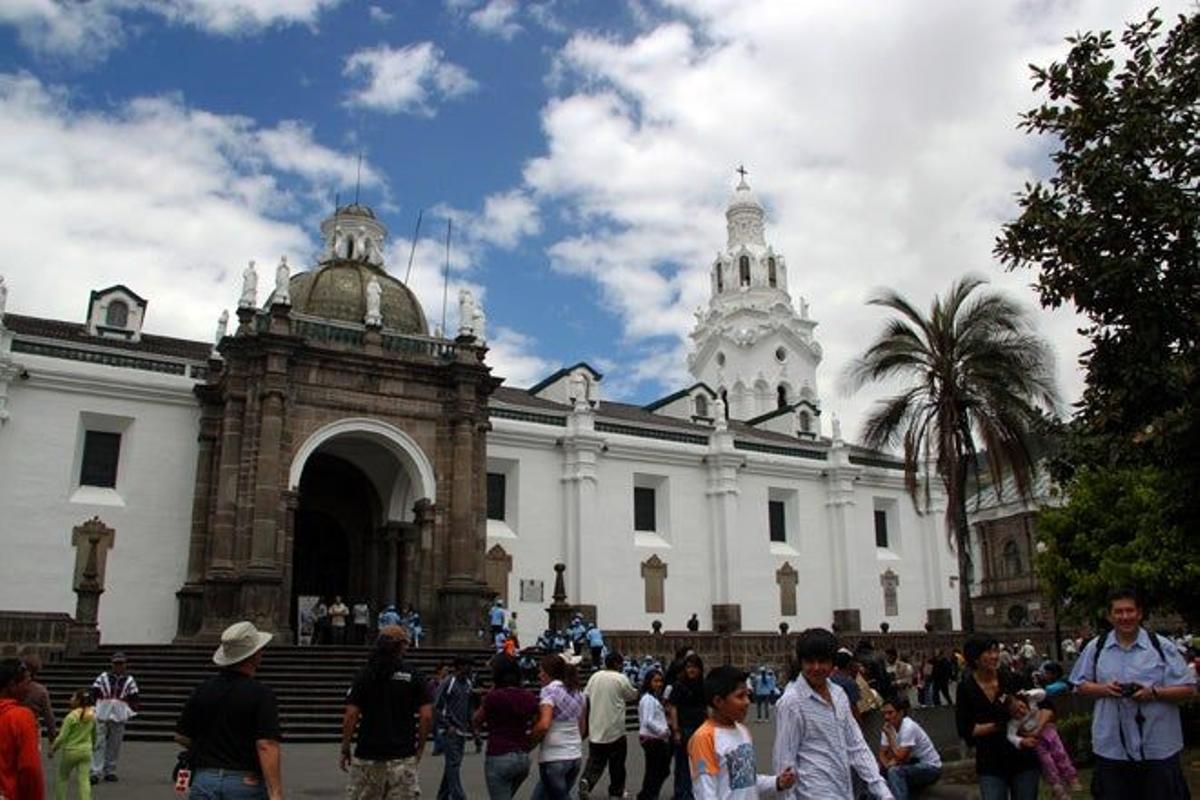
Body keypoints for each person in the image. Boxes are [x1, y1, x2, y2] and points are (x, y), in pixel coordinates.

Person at [1068, 588, 1196, 799]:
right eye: (1118, 612)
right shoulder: (1096, 647)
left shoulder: (1161, 646)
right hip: (1112, 748)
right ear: (1109, 616)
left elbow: (1188, 689)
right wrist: (1105, 689)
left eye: (1130, 611)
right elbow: (1079, 684)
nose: (1125, 617)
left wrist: (1153, 693)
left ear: (1140, 613)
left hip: (1158, 746)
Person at [772, 627, 893, 798]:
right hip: (812, 793)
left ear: (832, 663)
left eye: (822, 661)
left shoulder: (838, 694)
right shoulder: (792, 702)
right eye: (809, 662)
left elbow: (857, 746)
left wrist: (882, 790)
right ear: (801, 662)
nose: (816, 667)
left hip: (843, 791)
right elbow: (784, 761)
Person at [174, 621, 283, 800]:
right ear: (253, 655)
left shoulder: (203, 690)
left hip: (204, 779)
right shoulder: (261, 694)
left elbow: (181, 736)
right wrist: (276, 792)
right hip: (245, 781)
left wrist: (207, 747)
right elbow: (266, 745)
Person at [340, 624, 431, 800]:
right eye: (406, 643)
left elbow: (351, 715)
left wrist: (345, 747)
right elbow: (426, 716)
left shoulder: (364, 675)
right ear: (401, 646)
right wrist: (420, 747)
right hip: (402, 755)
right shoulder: (414, 675)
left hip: (368, 755)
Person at [688, 665, 795, 799]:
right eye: (740, 696)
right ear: (718, 701)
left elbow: (747, 782)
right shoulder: (704, 738)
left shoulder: (742, 731)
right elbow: (705, 791)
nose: (747, 702)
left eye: (748, 695)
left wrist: (777, 782)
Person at [955, 633, 1040, 800]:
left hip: (1022, 758)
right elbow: (967, 730)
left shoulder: (1012, 678)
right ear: (975, 658)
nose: (994, 656)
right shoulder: (966, 688)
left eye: (996, 651)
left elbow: (1044, 707)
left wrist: (1033, 725)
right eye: (988, 652)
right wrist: (1003, 723)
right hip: (990, 762)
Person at [474, 655, 539, 800]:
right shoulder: (528, 697)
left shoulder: (494, 697)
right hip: (522, 757)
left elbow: (476, 720)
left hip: (499, 754)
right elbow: (537, 720)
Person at [579, 652, 638, 799]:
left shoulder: (595, 677)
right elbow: (631, 695)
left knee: (595, 760)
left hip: (596, 726)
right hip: (615, 729)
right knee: (617, 764)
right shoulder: (620, 678)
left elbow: (586, 695)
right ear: (618, 664)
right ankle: (616, 792)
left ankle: (587, 780)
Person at [530, 653, 587, 799]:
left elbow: (544, 724)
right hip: (574, 755)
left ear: (549, 673)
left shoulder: (549, 691)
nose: (539, 675)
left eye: (542, 671)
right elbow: (582, 726)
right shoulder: (579, 693)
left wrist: (530, 741)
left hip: (554, 756)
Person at [1004, 690, 1079, 800]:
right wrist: (1021, 741)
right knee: (1047, 762)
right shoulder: (1014, 722)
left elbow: (1042, 694)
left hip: (1048, 731)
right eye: (1016, 712)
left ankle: (1071, 777)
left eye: (1021, 706)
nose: (1021, 711)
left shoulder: (1031, 703)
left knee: (1060, 753)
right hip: (1037, 741)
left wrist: (1029, 694)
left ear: (1021, 700)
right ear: (1010, 714)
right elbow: (1010, 735)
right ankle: (1057, 787)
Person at [878, 697, 940, 800]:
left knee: (895, 772)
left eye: (890, 713)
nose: (886, 717)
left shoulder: (908, 726)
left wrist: (890, 737)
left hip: (930, 767)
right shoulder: (888, 727)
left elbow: (900, 757)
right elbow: (881, 754)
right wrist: (886, 766)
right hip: (909, 765)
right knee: (877, 769)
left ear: (901, 713)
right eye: (884, 714)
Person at [89, 652, 138, 784]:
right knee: (98, 743)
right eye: (116, 663)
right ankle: (95, 771)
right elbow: (93, 692)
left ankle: (110, 770)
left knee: (114, 745)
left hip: (119, 714)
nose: (118, 666)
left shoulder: (129, 680)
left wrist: (130, 711)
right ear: (112, 664)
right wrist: (94, 708)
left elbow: (134, 697)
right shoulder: (103, 677)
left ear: (125, 665)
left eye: (121, 663)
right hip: (102, 713)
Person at [0, 658, 44, 800]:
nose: (29, 688)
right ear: (12, 685)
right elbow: (30, 768)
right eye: (26, 683)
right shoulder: (21, 716)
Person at [666, 653, 706, 800]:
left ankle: (697, 793)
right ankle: (682, 794)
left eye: (694, 667)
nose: (691, 670)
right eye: (688, 667)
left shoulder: (703, 685)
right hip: (684, 728)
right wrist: (675, 730)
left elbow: (707, 707)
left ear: (700, 669)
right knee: (682, 764)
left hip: (700, 728)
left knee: (700, 763)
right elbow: (673, 707)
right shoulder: (679, 685)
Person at [433, 657, 475, 800]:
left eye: (470, 666)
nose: (469, 669)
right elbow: (436, 707)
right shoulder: (448, 683)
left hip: (462, 730)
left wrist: (474, 730)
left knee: (452, 766)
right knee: (453, 765)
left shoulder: (468, 684)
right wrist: (447, 725)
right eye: (466, 666)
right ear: (458, 667)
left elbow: (469, 709)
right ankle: (459, 797)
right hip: (449, 731)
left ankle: (442, 796)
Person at [49, 688, 96, 800]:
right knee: (84, 779)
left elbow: (62, 737)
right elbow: (95, 734)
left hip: (71, 751)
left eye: (73, 697)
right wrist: (92, 746)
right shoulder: (92, 715)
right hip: (86, 751)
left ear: (78, 701)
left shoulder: (71, 717)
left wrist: (53, 748)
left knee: (63, 777)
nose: (71, 699)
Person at [636, 669, 672, 800]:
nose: (659, 684)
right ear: (648, 682)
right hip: (653, 739)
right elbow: (648, 720)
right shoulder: (648, 699)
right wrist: (662, 731)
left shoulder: (652, 698)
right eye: (655, 681)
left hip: (654, 738)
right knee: (658, 770)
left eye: (660, 681)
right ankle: (649, 794)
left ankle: (647, 794)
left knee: (655, 770)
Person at [20, 652, 55, 744]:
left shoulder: (14, 687)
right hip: (31, 726)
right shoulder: (40, 690)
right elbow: (49, 716)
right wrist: (52, 737)